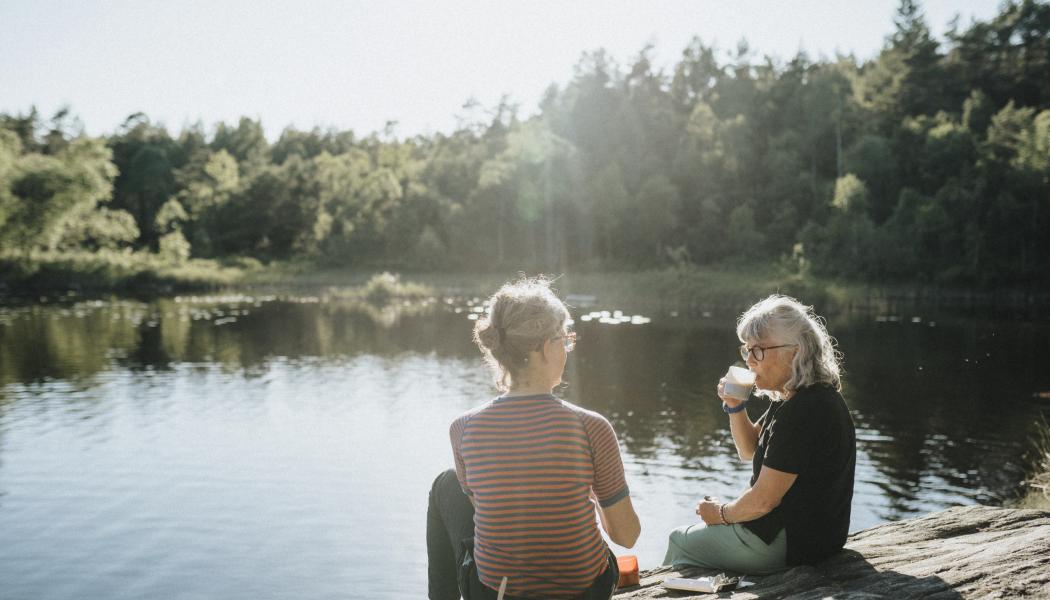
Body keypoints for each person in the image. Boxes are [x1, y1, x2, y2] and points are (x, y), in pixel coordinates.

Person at [427, 277, 641, 600]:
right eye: (565, 339)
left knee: (445, 484)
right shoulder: (592, 427)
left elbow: (486, 512)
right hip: (584, 593)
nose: (567, 349)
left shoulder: (463, 429)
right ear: (544, 347)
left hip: (497, 595)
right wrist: (590, 488)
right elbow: (626, 535)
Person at [663, 294, 856, 573]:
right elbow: (749, 449)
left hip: (789, 545)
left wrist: (720, 515)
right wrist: (735, 406)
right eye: (747, 350)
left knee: (679, 541)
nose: (750, 361)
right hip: (817, 540)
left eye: (759, 350)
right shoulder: (795, 398)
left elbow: (764, 500)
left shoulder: (804, 410)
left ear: (795, 351)